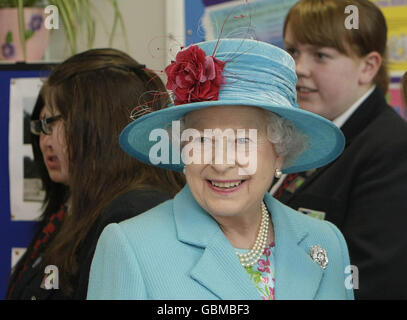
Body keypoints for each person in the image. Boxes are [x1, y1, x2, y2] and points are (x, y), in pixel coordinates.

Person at [87, 39, 354, 300]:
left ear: (280, 152)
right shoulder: (131, 246)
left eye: (242, 140)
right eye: (202, 140)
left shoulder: (325, 241)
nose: (221, 162)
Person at [6, 48, 185, 300]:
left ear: (100, 126)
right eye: (41, 125)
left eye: (52, 122)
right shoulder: (74, 209)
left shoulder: (132, 215)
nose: (44, 140)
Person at [278, 0, 407, 299]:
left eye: (320, 55)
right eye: (293, 51)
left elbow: (372, 283)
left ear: (368, 67)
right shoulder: (302, 133)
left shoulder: (393, 150)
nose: (299, 68)